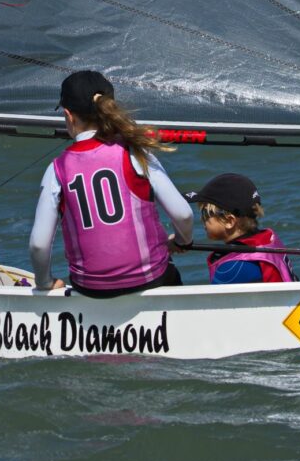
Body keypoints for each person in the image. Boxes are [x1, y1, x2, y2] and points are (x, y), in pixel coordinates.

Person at [29, 70, 194, 296]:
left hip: (91, 290)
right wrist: (183, 241)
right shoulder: (134, 151)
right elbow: (183, 214)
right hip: (153, 279)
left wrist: (44, 282)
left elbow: (39, 244)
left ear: (68, 115)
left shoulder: (56, 169)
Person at [184, 173, 296, 284]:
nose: (201, 220)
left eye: (205, 214)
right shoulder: (268, 241)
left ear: (229, 221)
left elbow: (213, 302)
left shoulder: (232, 269)